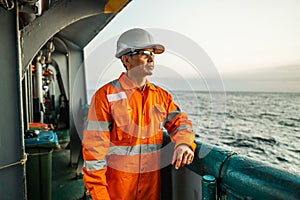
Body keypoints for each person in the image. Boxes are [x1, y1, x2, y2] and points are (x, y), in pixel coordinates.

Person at [82, 28, 196, 200]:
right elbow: (93, 156)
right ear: (126, 59)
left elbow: (181, 123)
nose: (151, 58)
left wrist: (184, 144)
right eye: (144, 53)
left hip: (151, 192)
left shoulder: (161, 96)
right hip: (116, 194)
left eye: (152, 54)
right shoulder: (105, 97)